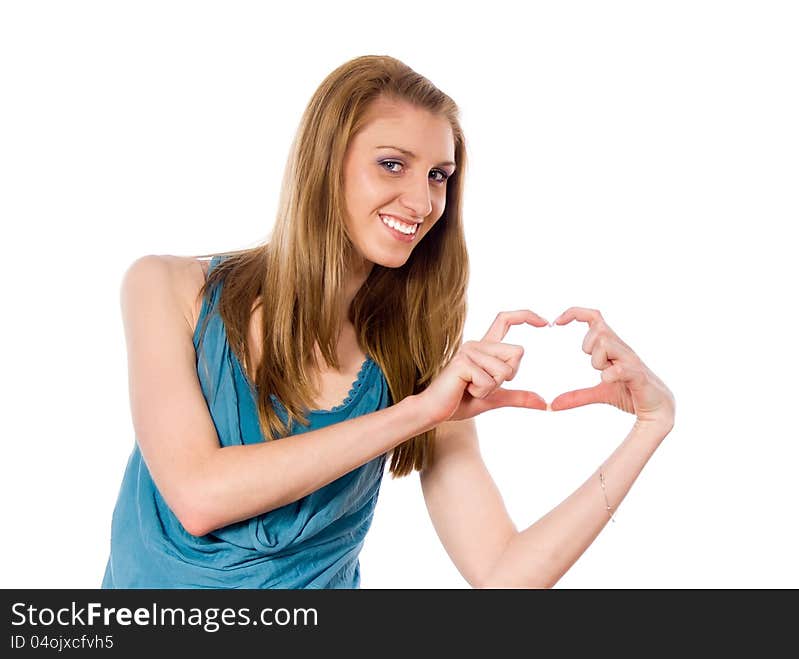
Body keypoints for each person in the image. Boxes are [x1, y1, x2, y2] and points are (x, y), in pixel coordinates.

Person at [102, 54, 675, 589]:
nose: (423, 203)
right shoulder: (168, 287)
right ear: (326, 165)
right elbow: (199, 495)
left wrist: (651, 424)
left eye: (438, 176)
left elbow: (504, 574)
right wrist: (417, 414)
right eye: (392, 165)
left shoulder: (416, 365)